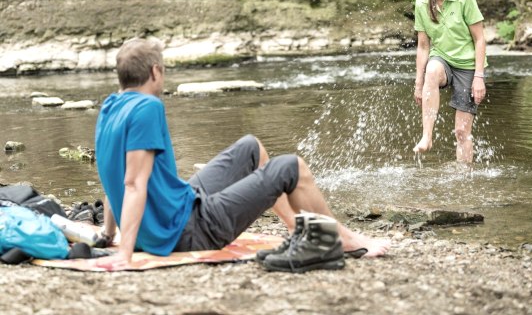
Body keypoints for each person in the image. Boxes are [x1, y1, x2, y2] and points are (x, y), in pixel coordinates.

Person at [93, 38, 390, 271]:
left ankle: (296, 228)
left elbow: (112, 176)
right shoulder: (148, 108)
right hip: (186, 232)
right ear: (155, 72)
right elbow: (132, 183)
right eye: (164, 71)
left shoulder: (109, 107)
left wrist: (108, 234)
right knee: (291, 168)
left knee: (250, 146)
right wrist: (125, 254)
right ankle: (345, 240)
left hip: (177, 210)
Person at [413, 0, 487, 164]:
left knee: (461, 132)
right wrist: (419, 83)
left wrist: (479, 77)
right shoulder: (421, 4)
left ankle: (464, 180)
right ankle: (427, 136)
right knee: (432, 70)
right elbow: (423, 46)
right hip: (442, 59)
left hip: (468, 66)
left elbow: (480, 39)